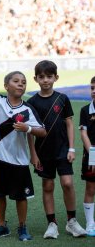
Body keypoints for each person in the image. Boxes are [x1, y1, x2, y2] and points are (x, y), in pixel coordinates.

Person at [0, 66, 46, 241]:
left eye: (24, 82)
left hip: (19, 159)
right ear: (6, 86)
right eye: (16, 81)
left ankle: (22, 227)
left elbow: (42, 131)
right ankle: (1, 225)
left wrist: (27, 128)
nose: (21, 84)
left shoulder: (27, 109)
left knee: (21, 196)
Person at [28, 60, 87, 239]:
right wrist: (33, 154)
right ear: (36, 79)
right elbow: (30, 132)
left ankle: (72, 222)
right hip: (43, 152)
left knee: (67, 184)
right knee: (48, 185)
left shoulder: (62, 99)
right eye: (42, 77)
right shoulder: (32, 102)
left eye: (49, 76)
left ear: (56, 77)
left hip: (63, 149)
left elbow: (69, 124)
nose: (45, 80)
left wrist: (72, 148)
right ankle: (52, 224)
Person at [79, 76, 95, 237]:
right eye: (92, 88)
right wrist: (93, 155)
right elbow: (83, 134)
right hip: (92, 155)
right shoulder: (85, 110)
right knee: (91, 187)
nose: (94, 91)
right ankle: (90, 223)